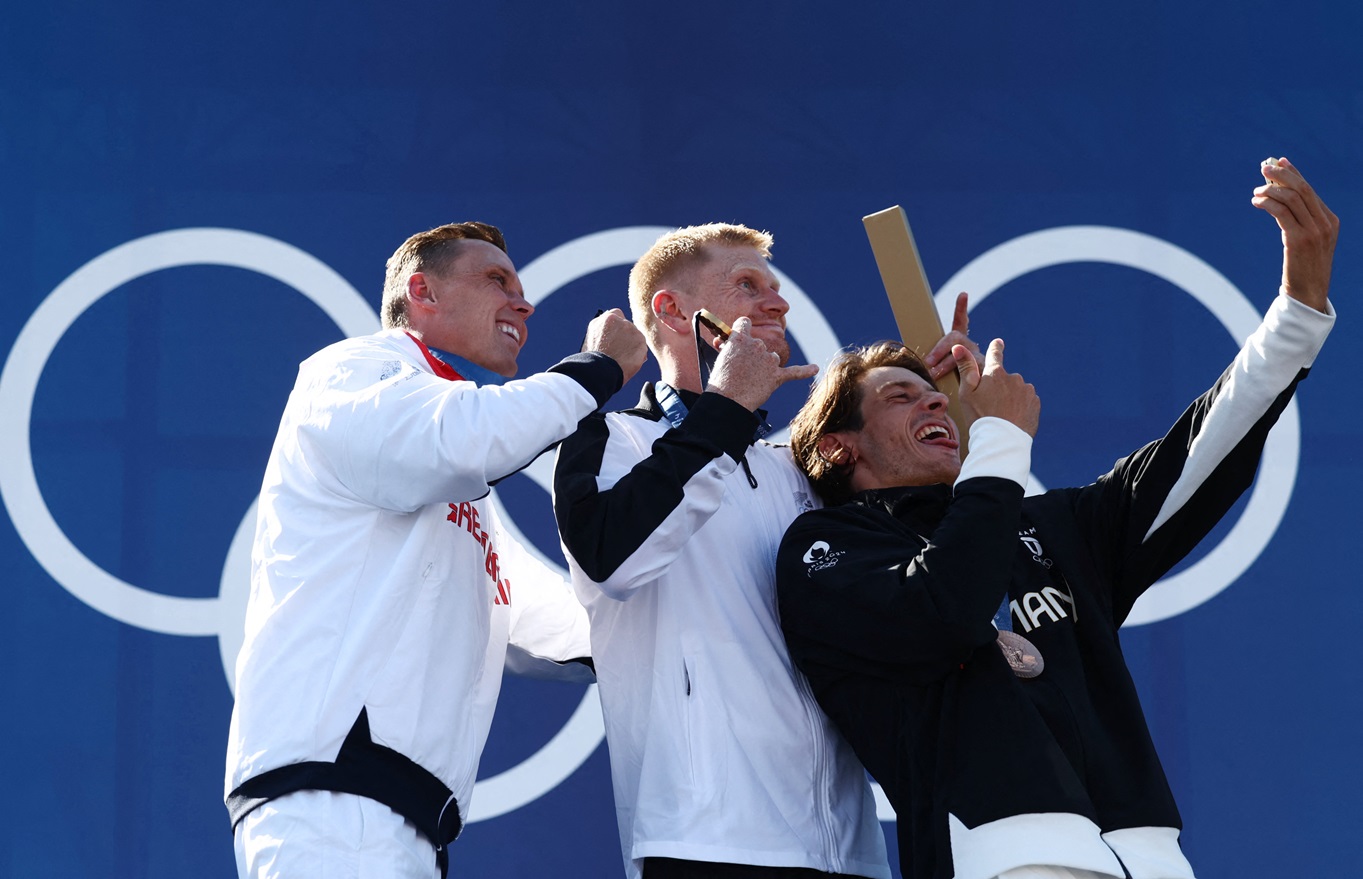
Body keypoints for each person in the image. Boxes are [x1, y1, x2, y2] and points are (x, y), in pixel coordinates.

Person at [774, 158, 1337, 879]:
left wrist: (1296, 312)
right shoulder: (828, 547)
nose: (935, 402)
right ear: (836, 444)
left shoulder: (1052, 524)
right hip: (1007, 857)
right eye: (898, 397)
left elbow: (1200, 448)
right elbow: (944, 609)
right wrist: (999, 446)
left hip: (1148, 857)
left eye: (935, 393)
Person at [224, 221, 647, 879]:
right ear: (421, 291)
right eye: (495, 280)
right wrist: (595, 371)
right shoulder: (356, 369)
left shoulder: (454, 482)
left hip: (392, 813)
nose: (522, 302)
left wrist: (663, 629)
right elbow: (462, 439)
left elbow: (534, 619)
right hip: (335, 793)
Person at [554, 223, 973, 879]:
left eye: (776, 290)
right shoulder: (607, 437)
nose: (776, 303)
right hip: (705, 839)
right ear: (671, 311)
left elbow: (924, 570)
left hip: (848, 846)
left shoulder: (791, 470)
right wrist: (725, 406)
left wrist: (933, 413)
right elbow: (614, 557)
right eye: (746, 285)